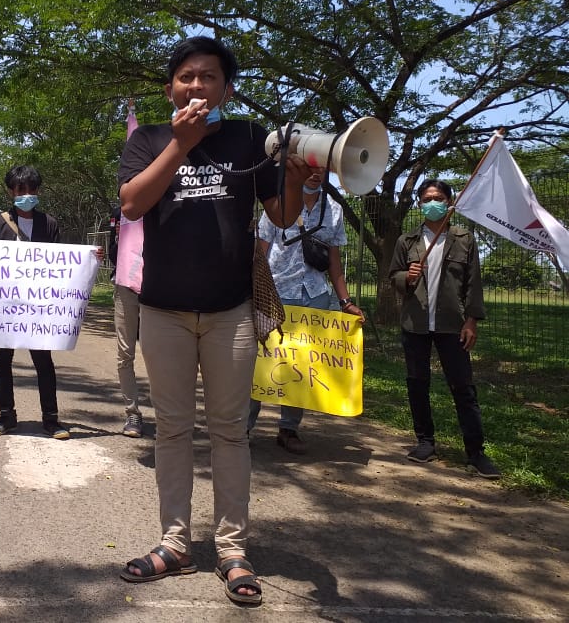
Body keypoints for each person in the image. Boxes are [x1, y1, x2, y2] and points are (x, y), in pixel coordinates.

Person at [116, 37, 308, 606]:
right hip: (164, 310)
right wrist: (181, 144)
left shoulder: (251, 138)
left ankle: (232, 550)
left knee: (230, 432)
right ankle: (175, 543)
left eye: (209, 76)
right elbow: (131, 204)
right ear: (170, 86)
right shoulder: (149, 138)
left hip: (231, 313)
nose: (196, 85)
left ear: (227, 86)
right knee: (172, 430)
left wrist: (292, 176)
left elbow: (283, 214)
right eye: (186, 76)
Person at [247, 167, 364, 453]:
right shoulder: (278, 204)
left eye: (321, 169)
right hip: (275, 293)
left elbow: (334, 260)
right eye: (309, 168)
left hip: (315, 296)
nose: (314, 174)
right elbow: (261, 251)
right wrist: (250, 290)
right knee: (260, 361)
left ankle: (289, 428)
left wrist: (345, 301)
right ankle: (243, 427)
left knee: (302, 364)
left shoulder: (332, 209)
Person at [389, 178, 500, 479]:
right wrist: (407, 277)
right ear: (419, 204)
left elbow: (473, 284)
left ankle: (476, 452)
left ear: (449, 201)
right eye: (426, 199)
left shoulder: (464, 239)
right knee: (417, 383)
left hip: (453, 324)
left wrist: (472, 320)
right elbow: (393, 278)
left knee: (463, 387)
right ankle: (425, 442)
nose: (432, 203)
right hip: (416, 323)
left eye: (437, 197)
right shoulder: (407, 241)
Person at [0, 165, 70, 440]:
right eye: (21, 190)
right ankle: (6, 417)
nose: (27, 194)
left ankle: (51, 420)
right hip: (6, 305)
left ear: (38, 191)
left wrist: (90, 260)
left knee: (44, 361)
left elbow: (62, 265)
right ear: (11, 191)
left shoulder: (50, 224)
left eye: (32, 189)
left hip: (39, 307)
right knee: (2, 360)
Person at [110, 204, 146, 438]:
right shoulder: (119, 212)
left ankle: (169, 414)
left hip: (162, 287)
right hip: (125, 286)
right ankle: (132, 413)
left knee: (163, 356)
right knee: (125, 354)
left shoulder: (168, 204)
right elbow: (114, 247)